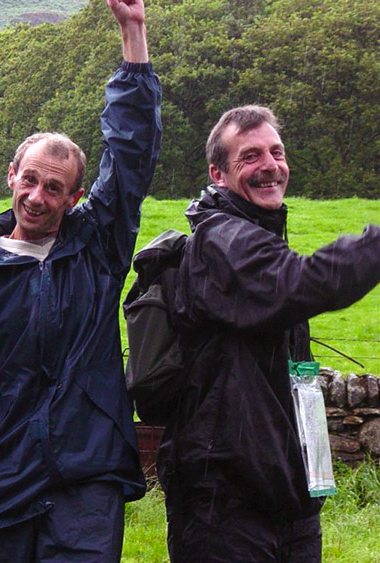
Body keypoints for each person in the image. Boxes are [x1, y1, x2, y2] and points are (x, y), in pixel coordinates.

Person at [0, 1, 162, 560]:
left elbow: (131, 155)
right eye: (28, 180)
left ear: (75, 197)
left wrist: (133, 33)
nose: (36, 196)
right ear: (11, 175)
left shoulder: (97, 250)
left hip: (86, 478)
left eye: (54, 188)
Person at [157, 105, 380, 562]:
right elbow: (302, 282)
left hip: (287, 495)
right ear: (218, 174)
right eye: (250, 156)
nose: (270, 166)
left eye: (276, 152)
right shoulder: (222, 241)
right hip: (227, 503)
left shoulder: (259, 236)